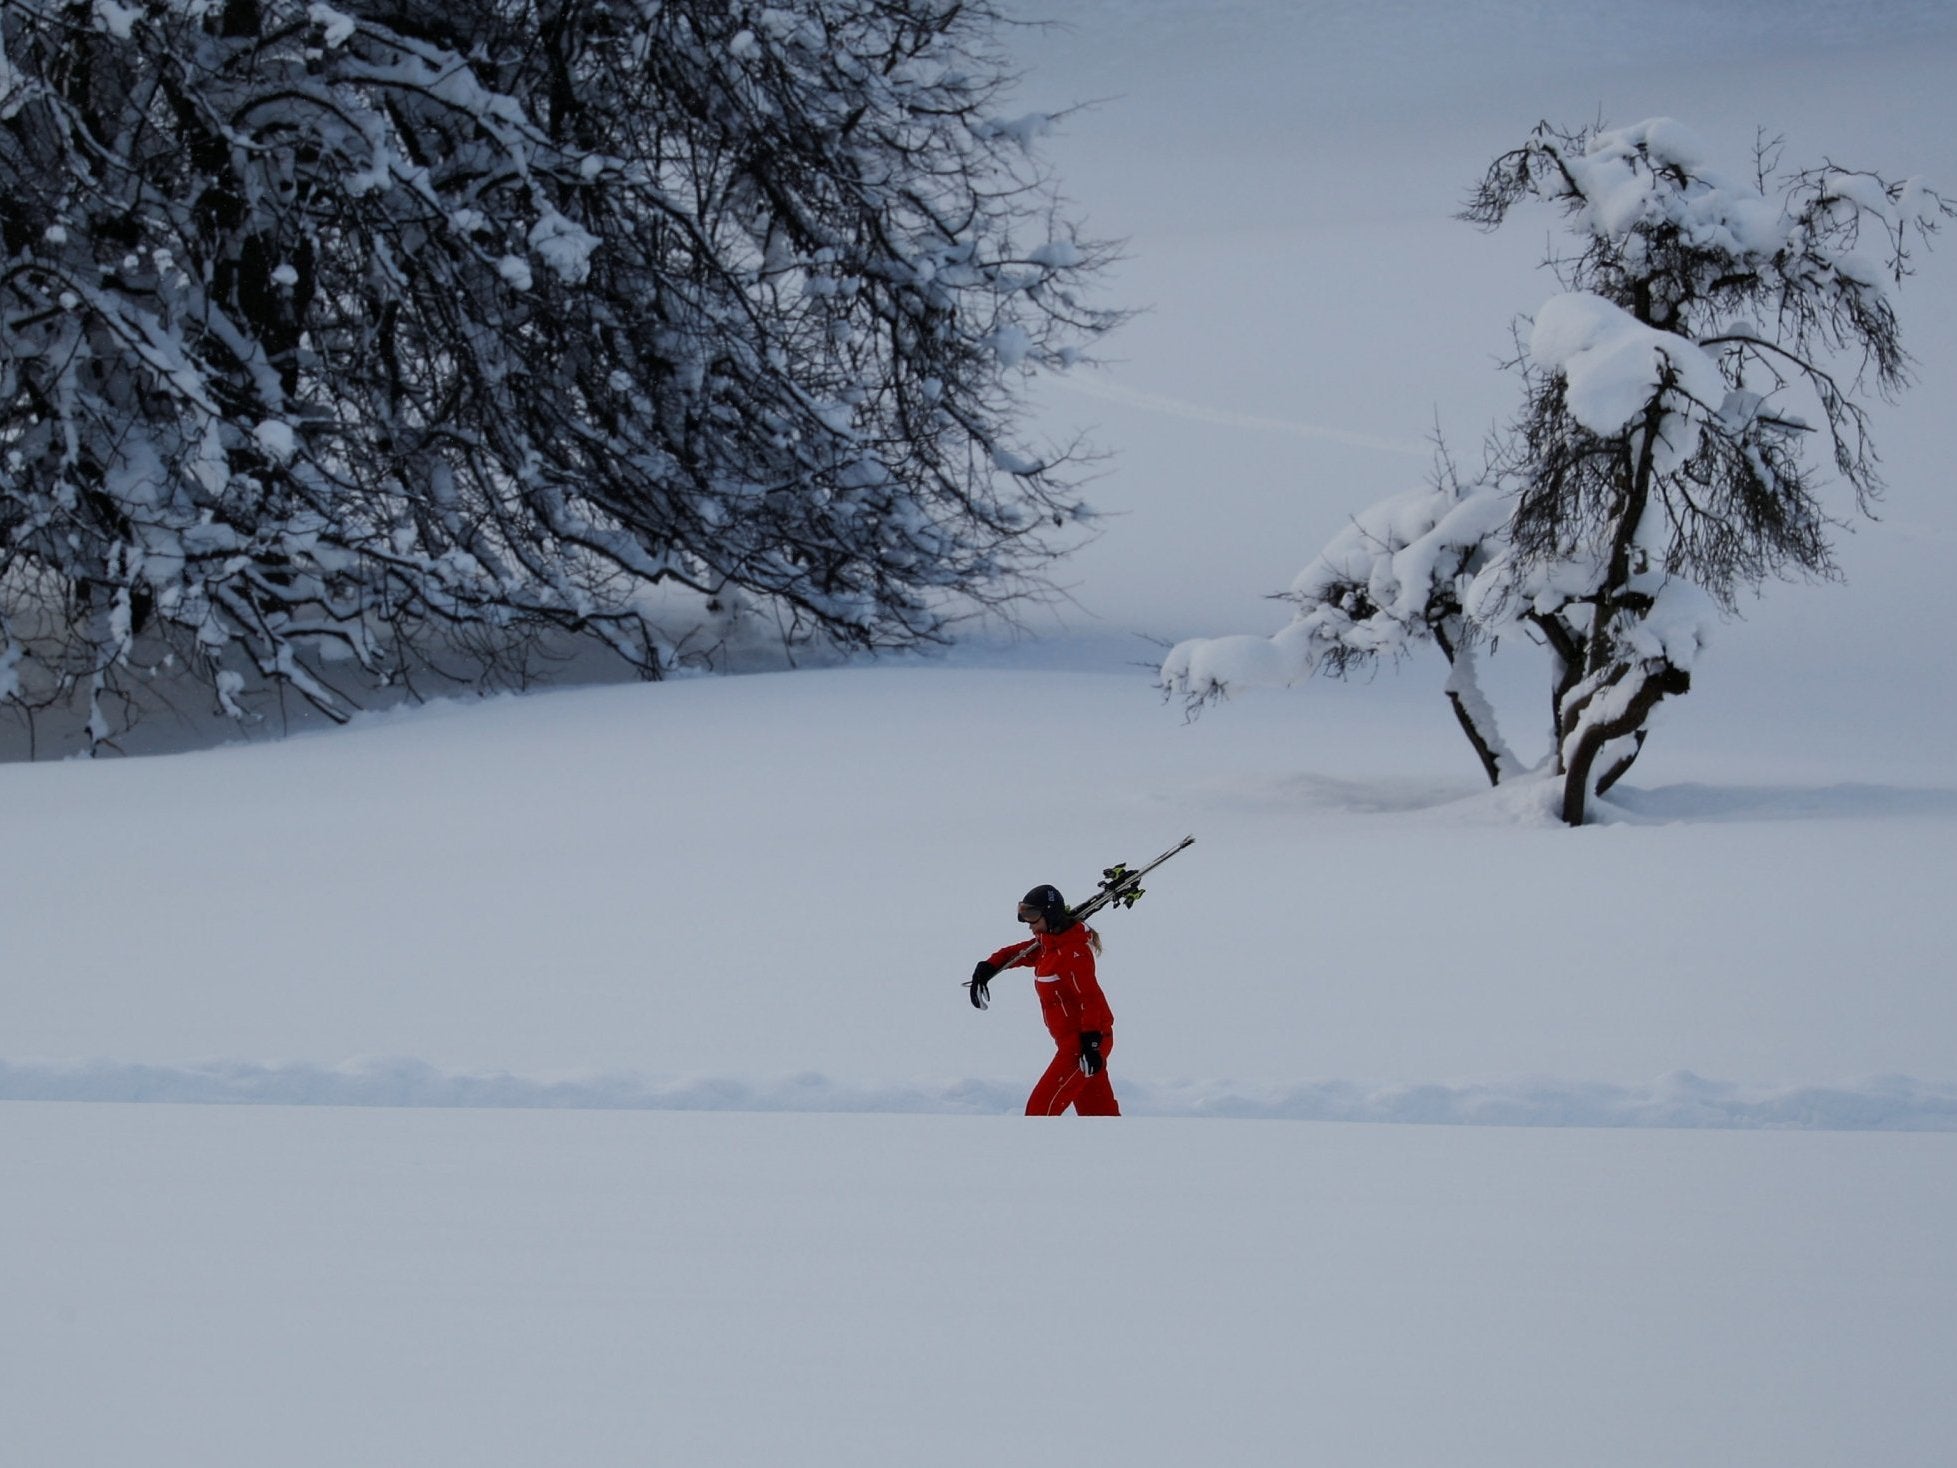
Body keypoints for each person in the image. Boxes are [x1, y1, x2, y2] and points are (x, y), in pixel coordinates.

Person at [970, 884, 1120, 1117]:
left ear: (1049, 915)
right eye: (1024, 915)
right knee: (1099, 1116)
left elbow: (1089, 999)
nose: (1028, 924)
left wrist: (1091, 1046)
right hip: (1075, 1042)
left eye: (1032, 916)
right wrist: (987, 968)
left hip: (1084, 1044)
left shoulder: (1072, 952)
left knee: (1040, 1112)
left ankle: (1035, 1152)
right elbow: (1018, 953)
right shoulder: (1049, 945)